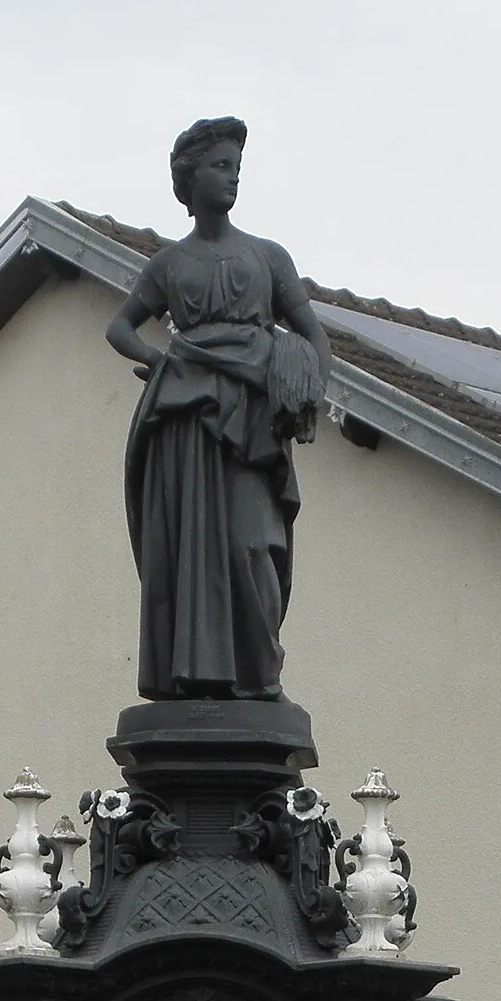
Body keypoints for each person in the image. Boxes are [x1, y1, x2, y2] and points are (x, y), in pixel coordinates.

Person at [106, 118, 333, 700]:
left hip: (252, 417)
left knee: (254, 545)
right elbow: (120, 327)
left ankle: (261, 679)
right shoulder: (168, 265)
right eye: (221, 166)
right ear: (190, 177)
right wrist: (158, 363)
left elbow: (312, 334)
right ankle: (194, 681)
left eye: (237, 168)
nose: (233, 178)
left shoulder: (267, 257)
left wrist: (305, 397)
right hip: (185, 419)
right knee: (187, 552)